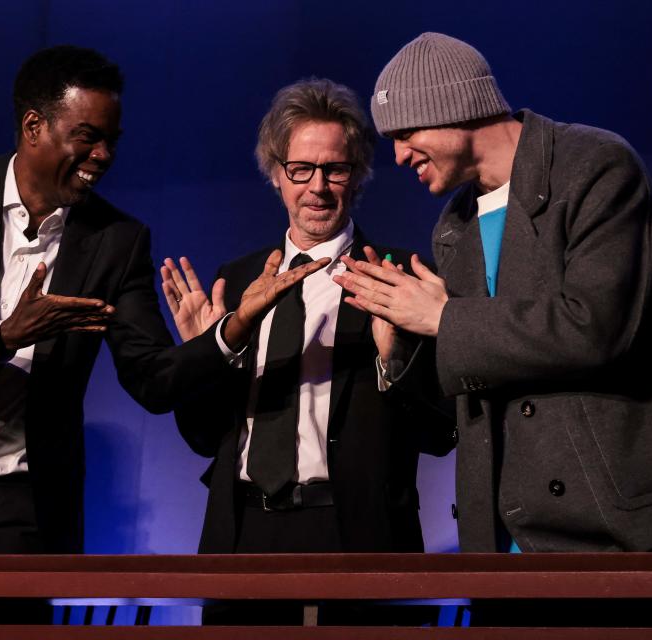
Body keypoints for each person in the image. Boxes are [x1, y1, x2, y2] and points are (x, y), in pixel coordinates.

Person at [0, 45, 322, 625]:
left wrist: (231, 329)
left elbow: (152, 378)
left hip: (11, 505)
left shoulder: (115, 240)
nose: (102, 155)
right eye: (87, 136)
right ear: (34, 126)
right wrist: (2, 337)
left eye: (112, 139)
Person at [336, 32, 652, 627]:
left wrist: (444, 318)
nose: (400, 156)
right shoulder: (453, 227)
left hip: (617, 532)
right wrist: (402, 348)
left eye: (405, 134)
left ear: (452, 109)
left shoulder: (595, 166)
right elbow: (473, 399)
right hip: (506, 546)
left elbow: (597, 326)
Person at [160, 78, 455, 626]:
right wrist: (207, 354)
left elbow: (442, 434)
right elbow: (203, 438)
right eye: (301, 169)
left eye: (335, 169)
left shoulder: (400, 276)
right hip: (243, 536)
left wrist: (395, 363)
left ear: (358, 175)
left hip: (358, 536)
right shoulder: (239, 280)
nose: (317, 186)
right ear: (276, 174)